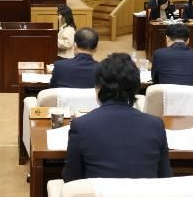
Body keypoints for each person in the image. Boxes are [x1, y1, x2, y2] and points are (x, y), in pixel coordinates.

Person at [63, 53, 172, 182]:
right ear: (136, 88)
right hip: (143, 195)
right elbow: (165, 177)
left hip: (98, 195)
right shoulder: (156, 125)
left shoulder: (81, 125)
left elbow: (71, 178)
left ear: (98, 87)